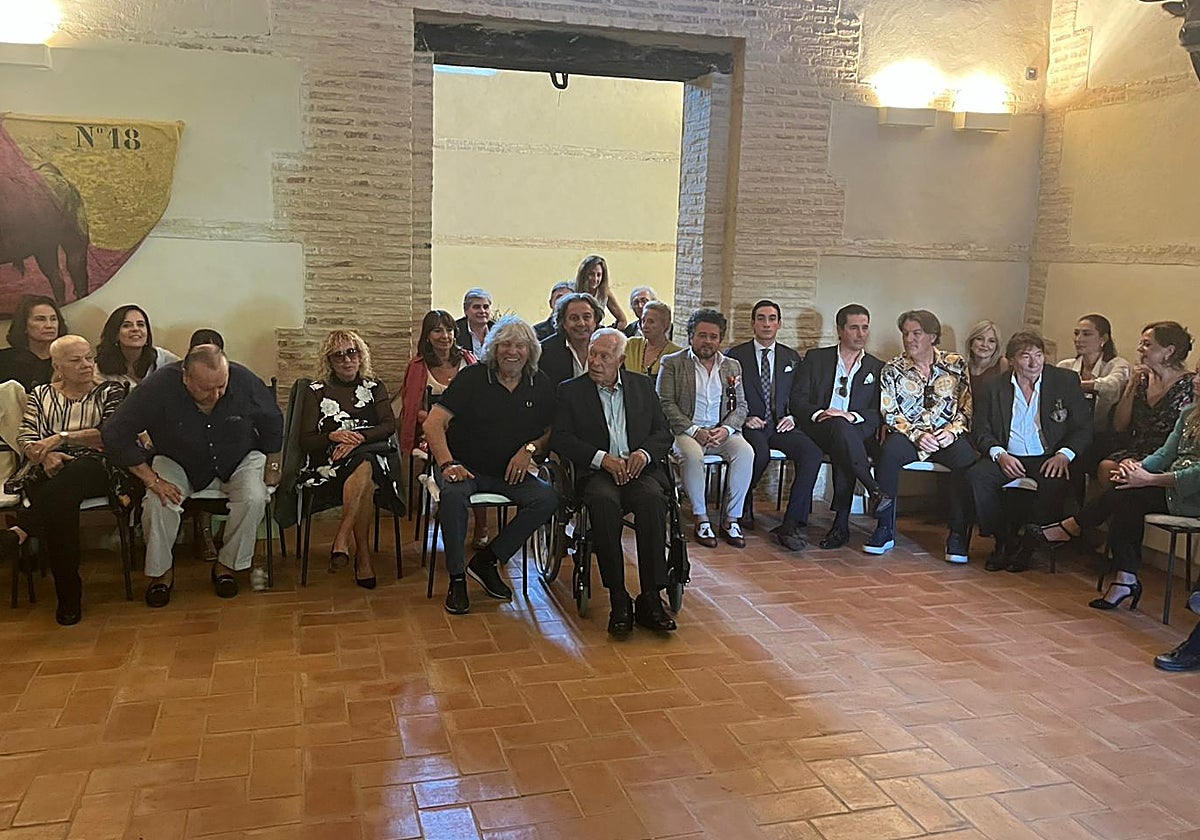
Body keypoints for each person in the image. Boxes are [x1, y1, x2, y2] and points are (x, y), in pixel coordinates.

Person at [101, 345, 284, 607]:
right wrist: (151, 479)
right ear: (186, 377)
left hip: (239, 456)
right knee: (158, 502)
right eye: (206, 388)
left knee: (254, 498)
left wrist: (274, 467)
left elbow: (272, 421)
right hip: (178, 459)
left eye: (221, 386)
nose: (216, 394)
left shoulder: (243, 379)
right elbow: (115, 433)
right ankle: (161, 574)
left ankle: (227, 567)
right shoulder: (159, 386)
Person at [1031, 358, 1200, 610]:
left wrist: (1151, 479)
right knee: (1125, 490)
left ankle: (1073, 529)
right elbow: (1165, 453)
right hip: (1171, 488)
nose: (1195, 381)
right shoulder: (1189, 414)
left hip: (1191, 494)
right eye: (1197, 374)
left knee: (1127, 494)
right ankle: (1124, 577)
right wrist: (1138, 469)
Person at [423, 316, 557, 615]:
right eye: (505, 344)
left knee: (546, 498)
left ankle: (488, 561)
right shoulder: (473, 377)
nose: (512, 351)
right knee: (454, 497)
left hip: (509, 473)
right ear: (494, 349)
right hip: (465, 468)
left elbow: (549, 430)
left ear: (530, 350)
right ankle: (457, 578)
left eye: (520, 345)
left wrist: (529, 449)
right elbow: (434, 424)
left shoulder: (540, 382)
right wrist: (447, 464)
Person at [551, 329, 677, 637]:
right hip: (597, 473)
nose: (594, 361)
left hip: (638, 471)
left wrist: (645, 454)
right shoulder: (570, 391)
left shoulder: (643, 386)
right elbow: (562, 438)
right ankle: (618, 596)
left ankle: (650, 597)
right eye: (592, 354)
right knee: (603, 504)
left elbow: (663, 433)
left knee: (652, 501)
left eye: (603, 356)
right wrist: (601, 459)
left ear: (620, 360)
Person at [0, 336, 127, 625]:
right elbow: (26, 435)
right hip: (49, 470)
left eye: (88, 358)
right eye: (75, 360)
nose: (86, 365)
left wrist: (61, 439)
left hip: (98, 468)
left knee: (71, 476)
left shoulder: (111, 391)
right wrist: (44, 456)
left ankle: (25, 528)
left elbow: (109, 433)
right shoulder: (41, 394)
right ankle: (68, 592)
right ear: (57, 366)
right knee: (59, 499)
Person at [968, 332, 1092, 573]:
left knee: (1054, 482)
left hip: (1049, 456)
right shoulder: (994, 386)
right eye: (1026, 357)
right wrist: (999, 454)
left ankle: (1029, 545)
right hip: (1007, 455)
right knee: (977, 477)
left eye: (1039, 355)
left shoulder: (1064, 381)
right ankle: (1002, 540)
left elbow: (1084, 428)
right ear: (1011, 360)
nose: (1035, 363)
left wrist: (1064, 454)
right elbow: (980, 429)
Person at [869, 310, 978, 562]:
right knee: (889, 453)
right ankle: (884, 529)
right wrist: (917, 435)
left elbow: (967, 406)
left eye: (916, 333)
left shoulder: (955, 364)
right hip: (910, 435)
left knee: (966, 459)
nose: (909, 339)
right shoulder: (892, 369)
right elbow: (889, 412)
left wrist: (952, 432)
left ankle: (958, 536)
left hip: (946, 435)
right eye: (906, 334)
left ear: (933, 336)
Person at [298, 330, 400, 589]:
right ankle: (362, 557)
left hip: (369, 454)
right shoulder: (315, 391)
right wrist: (333, 436)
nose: (346, 360)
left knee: (364, 462)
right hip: (329, 464)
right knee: (365, 476)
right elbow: (306, 439)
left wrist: (356, 439)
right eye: (338, 355)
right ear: (329, 361)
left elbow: (388, 425)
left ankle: (343, 536)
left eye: (351, 352)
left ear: (361, 355)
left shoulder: (374, 386)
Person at [726, 299, 820, 549]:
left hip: (782, 425)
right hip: (750, 423)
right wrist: (743, 418)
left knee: (811, 453)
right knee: (760, 454)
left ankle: (792, 522)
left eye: (771, 318)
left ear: (779, 324)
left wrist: (793, 417)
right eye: (761, 318)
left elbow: (800, 395)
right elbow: (726, 395)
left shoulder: (792, 357)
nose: (766, 324)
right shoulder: (735, 356)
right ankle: (742, 500)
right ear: (753, 323)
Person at [790, 303, 885, 550]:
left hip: (855, 428)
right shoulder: (816, 358)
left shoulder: (876, 367)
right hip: (820, 428)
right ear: (840, 330)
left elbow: (878, 413)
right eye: (854, 328)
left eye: (865, 328)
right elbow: (798, 400)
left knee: (844, 435)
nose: (861, 334)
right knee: (841, 432)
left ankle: (842, 525)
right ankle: (870, 491)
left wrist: (851, 417)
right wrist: (821, 413)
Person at [657, 308, 752, 549]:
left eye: (713, 336)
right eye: (702, 335)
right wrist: (693, 430)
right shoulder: (672, 363)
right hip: (686, 430)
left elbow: (741, 405)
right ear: (691, 337)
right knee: (691, 454)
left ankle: (731, 519)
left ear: (720, 339)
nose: (707, 341)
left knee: (746, 452)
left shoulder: (732, 366)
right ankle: (701, 519)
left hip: (721, 431)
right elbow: (665, 403)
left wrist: (727, 430)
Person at [396, 310, 489, 548]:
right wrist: (438, 421)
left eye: (448, 330)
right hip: (430, 430)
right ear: (427, 336)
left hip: (467, 430)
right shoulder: (418, 366)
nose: (444, 335)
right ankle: (451, 511)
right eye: (437, 330)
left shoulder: (468, 360)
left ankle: (481, 524)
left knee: (478, 455)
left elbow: (481, 403)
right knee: (457, 455)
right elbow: (412, 409)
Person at [1098, 321, 1194, 490]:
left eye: (1147, 344)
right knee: (1108, 466)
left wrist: (1142, 464)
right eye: (1141, 343)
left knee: (1126, 472)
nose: (1140, 348)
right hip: (1137, 450)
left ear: (1169, 351)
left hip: (1168, 453)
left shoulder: (1191, 385)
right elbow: (1119, 425)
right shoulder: (1141, 380)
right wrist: (1131, 385)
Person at [1056, 314, 1130, 434]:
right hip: (1068, 432)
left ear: (1104, 339)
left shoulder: (1117, 364)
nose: (1078, 339)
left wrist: (1076, 385)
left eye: (1086, 334)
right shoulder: (1065, 366)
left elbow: (1113, 386)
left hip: (1103, 434)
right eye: (1076, 333)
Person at [95, 305, 180, 387]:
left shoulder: (163, 359)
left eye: (140, 324)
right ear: (115, 334)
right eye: (126, 325)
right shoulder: (101, 368)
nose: (135, 329)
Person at [0, 295, 69, 389]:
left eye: (53, 319)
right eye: (40, 319)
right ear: (24, 325)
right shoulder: (5, 360)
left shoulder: (70, 359)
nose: (49, 325)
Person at [539, 292, 602, 385]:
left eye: (587, 317)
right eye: (574, 318)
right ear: (563, 323)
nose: (581, 323)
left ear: (595, 321)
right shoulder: (546, 351)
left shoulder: (608, 347)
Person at [624, 301, 681, 378]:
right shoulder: (631, 345)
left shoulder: (676, 354)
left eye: (651, 322)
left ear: (665, 325)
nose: (645, 326)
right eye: (643, 320)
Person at [575, 255, 629, 331]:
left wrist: (611, 335)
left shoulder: (604, 292)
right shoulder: (572, 291)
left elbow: (622, 320)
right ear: (584, 274)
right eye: (591, 274)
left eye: (598, 275)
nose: (595, 279)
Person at [964, 320, 1009, 395]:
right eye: (979, 339)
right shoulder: (963, 367)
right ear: (971, 343)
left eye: (991, 341)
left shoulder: (1002, 364)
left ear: (996, 346)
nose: (985, 344)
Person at [455, 288, 495, 357]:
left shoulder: (498, 331)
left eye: (486, 307)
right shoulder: (455, 331)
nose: (482, 311)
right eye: (476, 307)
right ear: (466, 310)